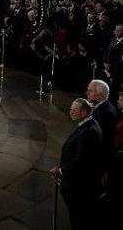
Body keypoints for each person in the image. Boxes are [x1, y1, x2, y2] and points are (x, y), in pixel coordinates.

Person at [50, 98, 103, 230]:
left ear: (84, 112)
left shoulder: (89, 131)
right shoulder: (87, 124)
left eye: (74, 110)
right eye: (70, 109)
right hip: (78, 183)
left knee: (79, 220)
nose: (70, 112)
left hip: (80, 186)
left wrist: (61, 171)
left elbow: (81, 161)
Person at [105, 24, 123, 107]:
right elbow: (107, 51)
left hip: (118, 71)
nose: (115, 32)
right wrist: (105, 62)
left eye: (118, 30)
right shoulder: (113, 40)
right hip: (109, 69)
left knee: (115, 89)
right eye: (116, 30)